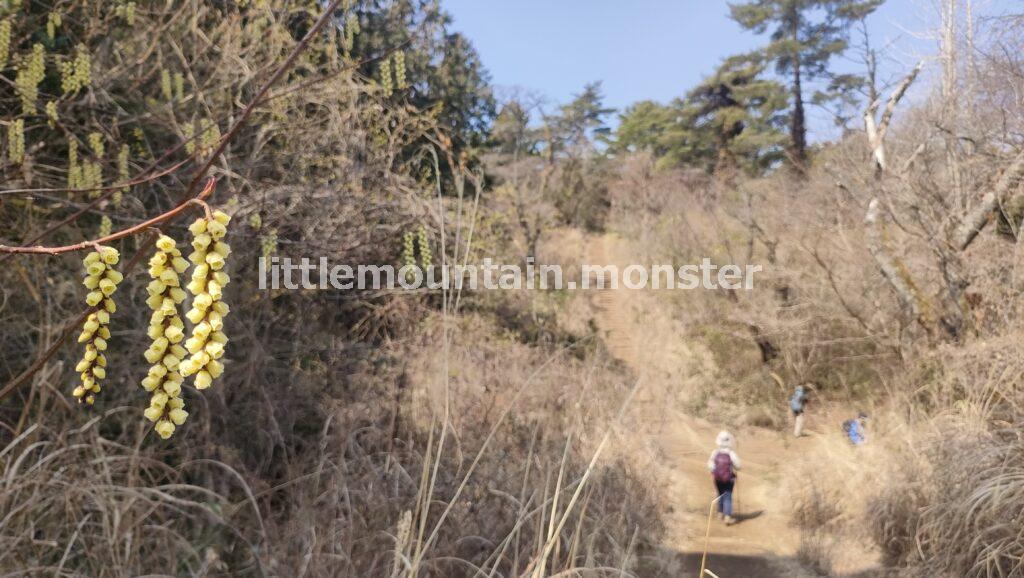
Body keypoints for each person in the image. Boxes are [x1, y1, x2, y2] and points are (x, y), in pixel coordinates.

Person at [707, 430, 741, 525]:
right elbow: (738, 466)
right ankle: (727, 516)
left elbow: (710, 465)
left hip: (717, 479)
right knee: (727, 496)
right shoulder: (731, 453)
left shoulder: (715, 452)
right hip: (729, 479)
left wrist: (715, 471)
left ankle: (720, 512)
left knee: (720, 494)